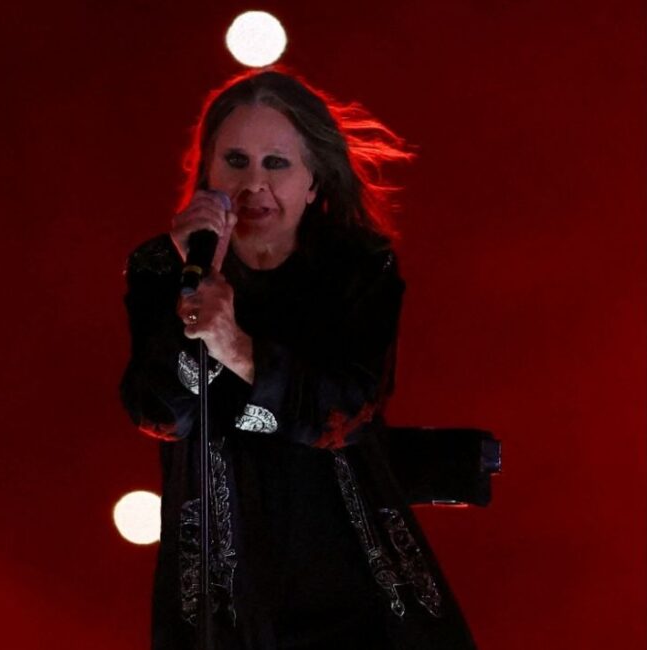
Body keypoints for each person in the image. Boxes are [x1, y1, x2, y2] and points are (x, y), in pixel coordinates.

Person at [120, 69, 477, 649]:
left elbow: (348, 408)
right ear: (207, 172)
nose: (253, 184)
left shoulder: (358, 268)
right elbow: (158, 411)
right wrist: (193, 291)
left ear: (313, 181)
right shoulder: (163, 267)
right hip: (221, 588)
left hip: (349, 573)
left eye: (276, 164)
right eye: (235, 161)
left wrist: (238, 348)